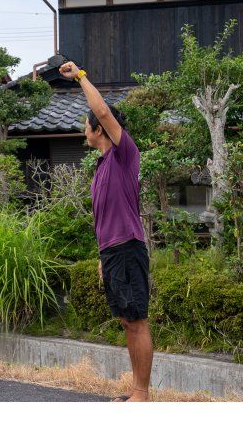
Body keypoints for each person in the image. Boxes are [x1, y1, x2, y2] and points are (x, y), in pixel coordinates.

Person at [59, 61, 153, 402]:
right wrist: (103, 256)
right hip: (114, 252)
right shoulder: (101, 167)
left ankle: (141, 395)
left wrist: (81, 76)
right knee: (128, 322)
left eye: (87, 124)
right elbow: (104, 218)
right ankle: (135, 393)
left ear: (99, 129)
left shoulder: (124, 153)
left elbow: (100, 108)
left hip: (128, 249)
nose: (84, 128)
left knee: (136, 320)